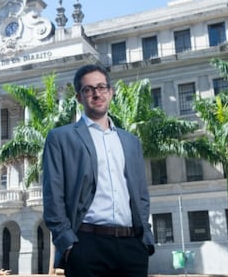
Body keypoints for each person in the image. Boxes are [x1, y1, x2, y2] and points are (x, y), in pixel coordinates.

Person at [42, 64, 155, 277]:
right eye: (88, 89)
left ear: (110, 92)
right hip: (86, 244)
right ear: (79, 97)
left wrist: (145, 240)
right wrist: (67, 243)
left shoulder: (131, 141)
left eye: (102, 87)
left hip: (131, 246)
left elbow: (141, 195)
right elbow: (52, 195)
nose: (97, 93)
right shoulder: (61, 138)